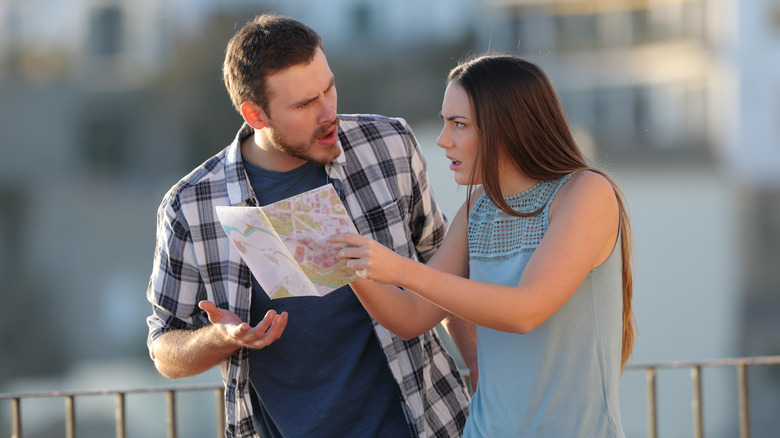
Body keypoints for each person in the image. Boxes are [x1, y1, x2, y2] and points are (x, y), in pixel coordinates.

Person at [145, 14, 473, 438]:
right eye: (304, 104)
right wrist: (221, 338)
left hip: (427, 424)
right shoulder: (191, 206)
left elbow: (442, 269)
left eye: (328, 88)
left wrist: (481, 378)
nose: (329, 112)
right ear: (255, 114)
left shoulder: (389, 145)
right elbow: (163, 349)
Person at [331, 54, 636, 437]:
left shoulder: (585, 193)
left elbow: (524, 311)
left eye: (459, 125)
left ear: (506, 128)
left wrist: (401, 269)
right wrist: (345, 261)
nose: (443, 141)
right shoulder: (477, 208)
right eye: (445, 123)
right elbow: (410, 317)